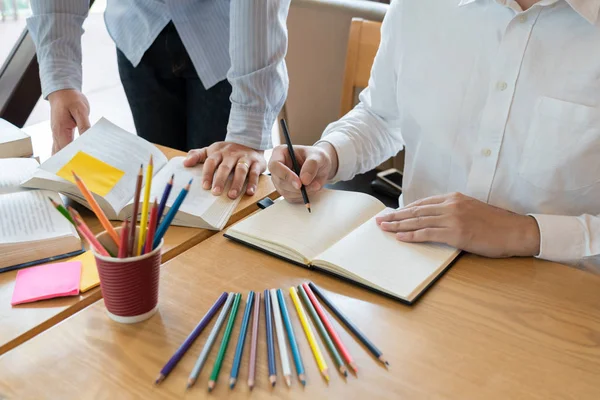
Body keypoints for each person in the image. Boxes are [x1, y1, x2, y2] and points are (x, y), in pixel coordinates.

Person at [269, 0, 600, 266]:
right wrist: (329, 154)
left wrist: (526, 233)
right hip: (409, 261)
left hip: (560, 288)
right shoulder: (418, 7)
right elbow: (382, 116)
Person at [27, 0, 290, 199]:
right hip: (138, 28)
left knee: (220, 191)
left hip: (230, 34)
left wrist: (248, 131)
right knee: (158, 192)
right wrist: (60, 80)